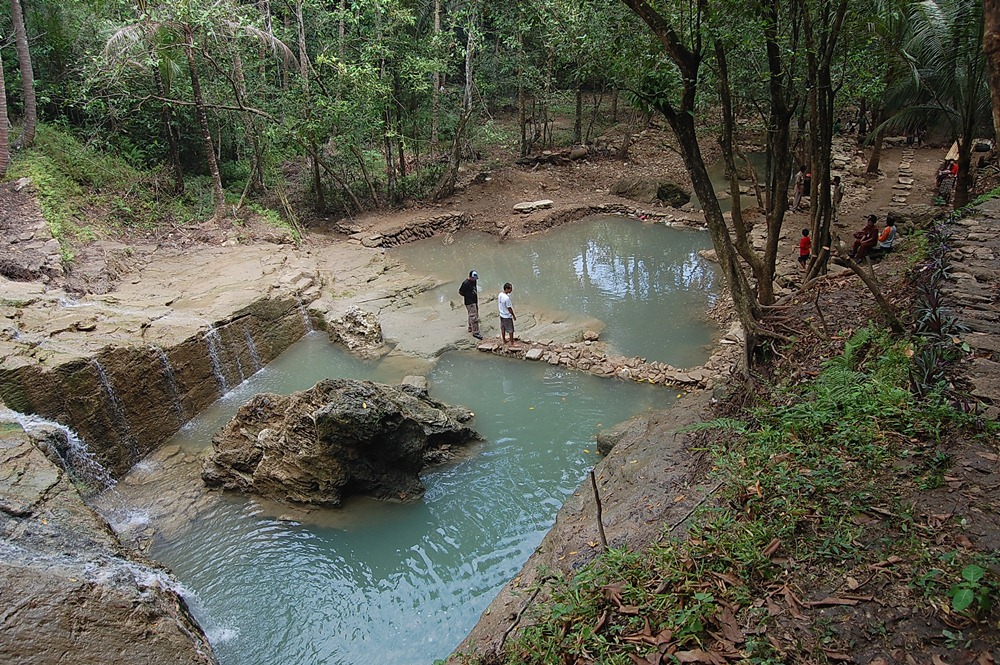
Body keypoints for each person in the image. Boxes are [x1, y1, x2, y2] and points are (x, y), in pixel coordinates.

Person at [459, 270, 482, 340]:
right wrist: (468, 296)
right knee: (473, 317)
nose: (475, 280)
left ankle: (470, 327)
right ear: (470, 277)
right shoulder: (465, 283)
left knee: (472, 315)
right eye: (474, 278)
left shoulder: (474, 281)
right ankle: (475, 332)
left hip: (474, 300)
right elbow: (460, 292)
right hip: (469, 302)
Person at [498, 282, 517, 348]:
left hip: (501, 314)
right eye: (510, 289)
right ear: (506, 289)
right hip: (506, 316)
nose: (511, 290)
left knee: (503, 328)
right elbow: (509, 308)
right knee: (510, 330)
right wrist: (513, 315)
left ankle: (504, 340)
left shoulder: (500, 294)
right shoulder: (507, 298)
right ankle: (512, 342)